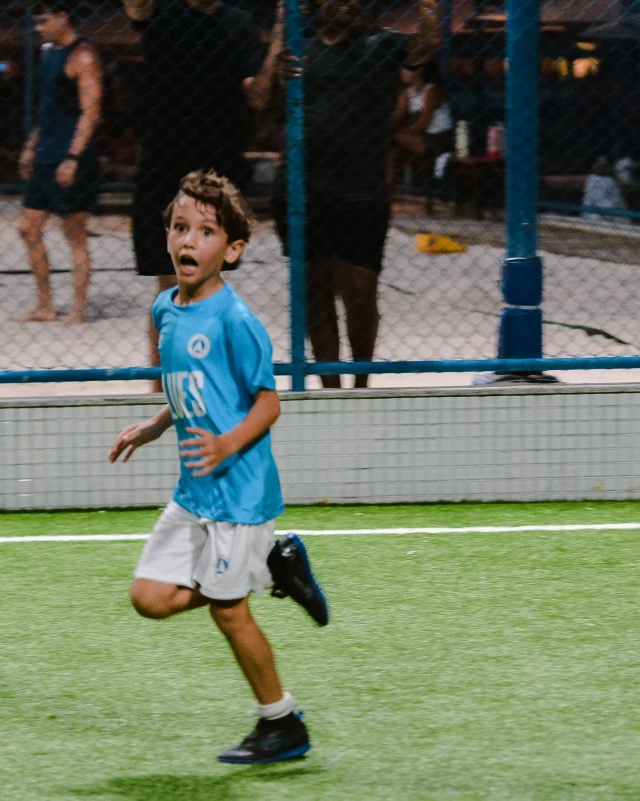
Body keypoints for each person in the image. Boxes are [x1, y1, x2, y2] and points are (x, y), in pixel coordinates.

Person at [108, 171, 329, 765]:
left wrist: (229, 444)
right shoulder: (165, 309)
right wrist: (156, 426)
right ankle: (273, 563)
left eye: (206, 232)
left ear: (232, 250)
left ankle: (282, 722)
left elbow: (268, 403)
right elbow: (193, 390)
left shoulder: (236, 321)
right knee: (149, 597)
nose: (189, 240)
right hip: (195, 491)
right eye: (180, 227)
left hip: (240, 493)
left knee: (231, 612)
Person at [251, 0, 441, 389]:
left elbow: (428, 43)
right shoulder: (298, 46)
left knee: (361, 292)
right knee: (316, 292)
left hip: (362, 190)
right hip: (304, 190)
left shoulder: (380, 45)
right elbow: (260, 98)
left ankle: (361, 386)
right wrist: (279, 53)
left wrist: (426, 6)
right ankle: (330, 389)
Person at [122, 0, 263, 391]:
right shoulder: (164, 14)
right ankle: (164, 387)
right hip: (165, 164)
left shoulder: (238, 23)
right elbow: (137, 9)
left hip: (219, 165)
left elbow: (255, 92)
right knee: (171, 285)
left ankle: (206, 384)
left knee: (210, 285)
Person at [15, 0, 103, 324]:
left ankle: (78, 309)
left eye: (43, 21)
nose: (38, 28)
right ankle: (45, 306)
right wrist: (31, 146)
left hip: (70, 156)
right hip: (46, 154)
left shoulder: (83, 56)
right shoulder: (50, 54)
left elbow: (90, 112)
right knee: (28, 229)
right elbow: (48, 108)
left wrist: (73, 157)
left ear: (62, 18)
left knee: (74, 234)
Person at [393, 61, 453, 196]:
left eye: (405, 69)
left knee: (394, 139)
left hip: (440, 137)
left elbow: (423, 124)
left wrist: (400, 132)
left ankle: (397, 187)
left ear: (417, 72)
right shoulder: (406, 94)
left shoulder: (431, 90)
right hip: (422, 137)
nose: (401, 73)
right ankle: (394, 188)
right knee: (392, 144)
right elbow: (398, 116)